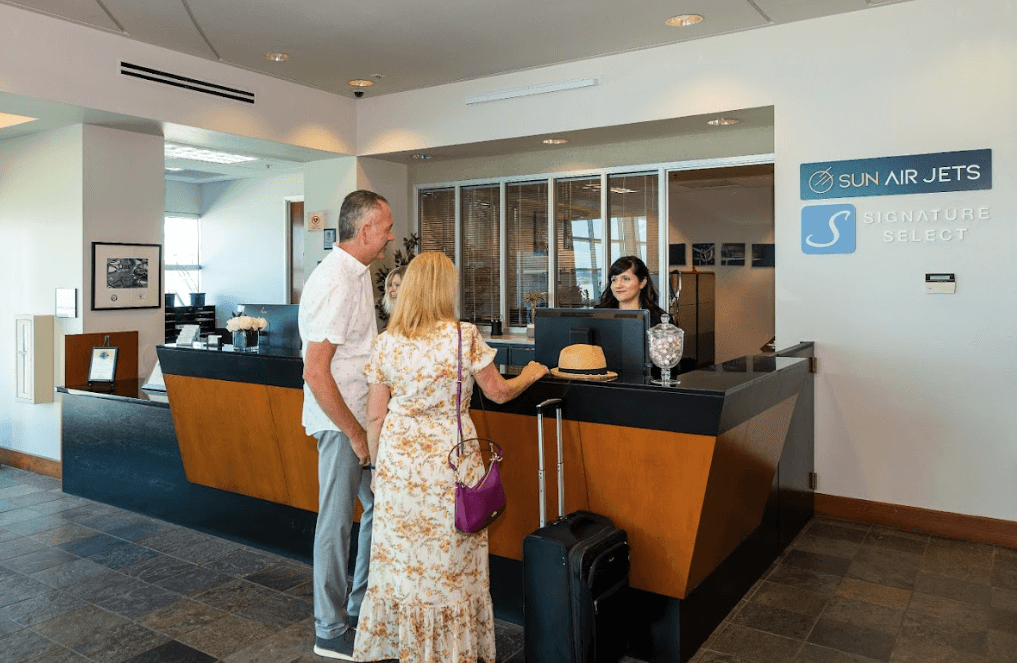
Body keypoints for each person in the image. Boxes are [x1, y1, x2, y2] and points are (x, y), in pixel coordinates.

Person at [354, 252, 548, 663]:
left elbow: (375, 415)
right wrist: (531, 373)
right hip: (450, 463)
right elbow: (498, 392)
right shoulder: (463, 336)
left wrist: (375, 467)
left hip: (399, 464)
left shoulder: (386, 343)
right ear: (444, 289)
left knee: (402, 560)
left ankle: (403, 645)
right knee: (450, 561)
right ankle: (448, 650)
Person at [298, 189, 395, 660]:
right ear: (365, 231)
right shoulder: (337, 280)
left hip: (360, 419)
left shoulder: (357, 275)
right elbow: (316, 371)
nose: (392, 236)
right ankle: (329, 629)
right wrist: (356, 434)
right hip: (341, 425)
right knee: (335, 524)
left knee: (378, 507)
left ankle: (357, 609)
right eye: (387, 228)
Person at [596, 255, 666, 327]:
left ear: (642, 283)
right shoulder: (598, 316)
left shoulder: (659, 320)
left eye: (626, 279)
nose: (618, 285)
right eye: (614, 280)